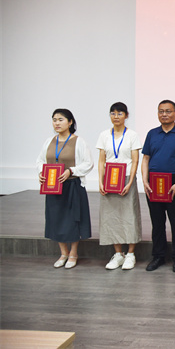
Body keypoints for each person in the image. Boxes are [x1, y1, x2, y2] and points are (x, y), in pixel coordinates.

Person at [36, 109, 94, 269]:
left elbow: (88, 163)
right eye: (54, 120)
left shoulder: (79, 141)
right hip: (52, 186)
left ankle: (73, 254)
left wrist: (71, 171)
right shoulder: (49, 141)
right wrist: (41, 172)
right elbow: (40, 161)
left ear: (70, 122)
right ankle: (63, 253)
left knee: (73, 219)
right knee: (56, 219)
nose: (57, 123)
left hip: (72, 186)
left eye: (60, 119)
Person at [141, 100, 175, 273]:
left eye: (168, 111)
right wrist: (145, 180)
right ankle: (158, 256)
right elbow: (145, 159)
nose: (164, 114)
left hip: (174, 182)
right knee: (157, 223)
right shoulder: (152, 134)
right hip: (153, 183)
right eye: (161, 111)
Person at [97, 102, 143, 270]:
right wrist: (100, 181)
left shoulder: (132, 135)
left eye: (120, 113)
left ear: (126, 115)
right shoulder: (104, 135)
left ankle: (130, 254)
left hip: (126, 178)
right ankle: (118, 254)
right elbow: (101, 160)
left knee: (129, 215)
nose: (116, 117)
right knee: (111, 217)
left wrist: (130, 182)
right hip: (109, 179)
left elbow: (135, 160)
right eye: (113, 113)